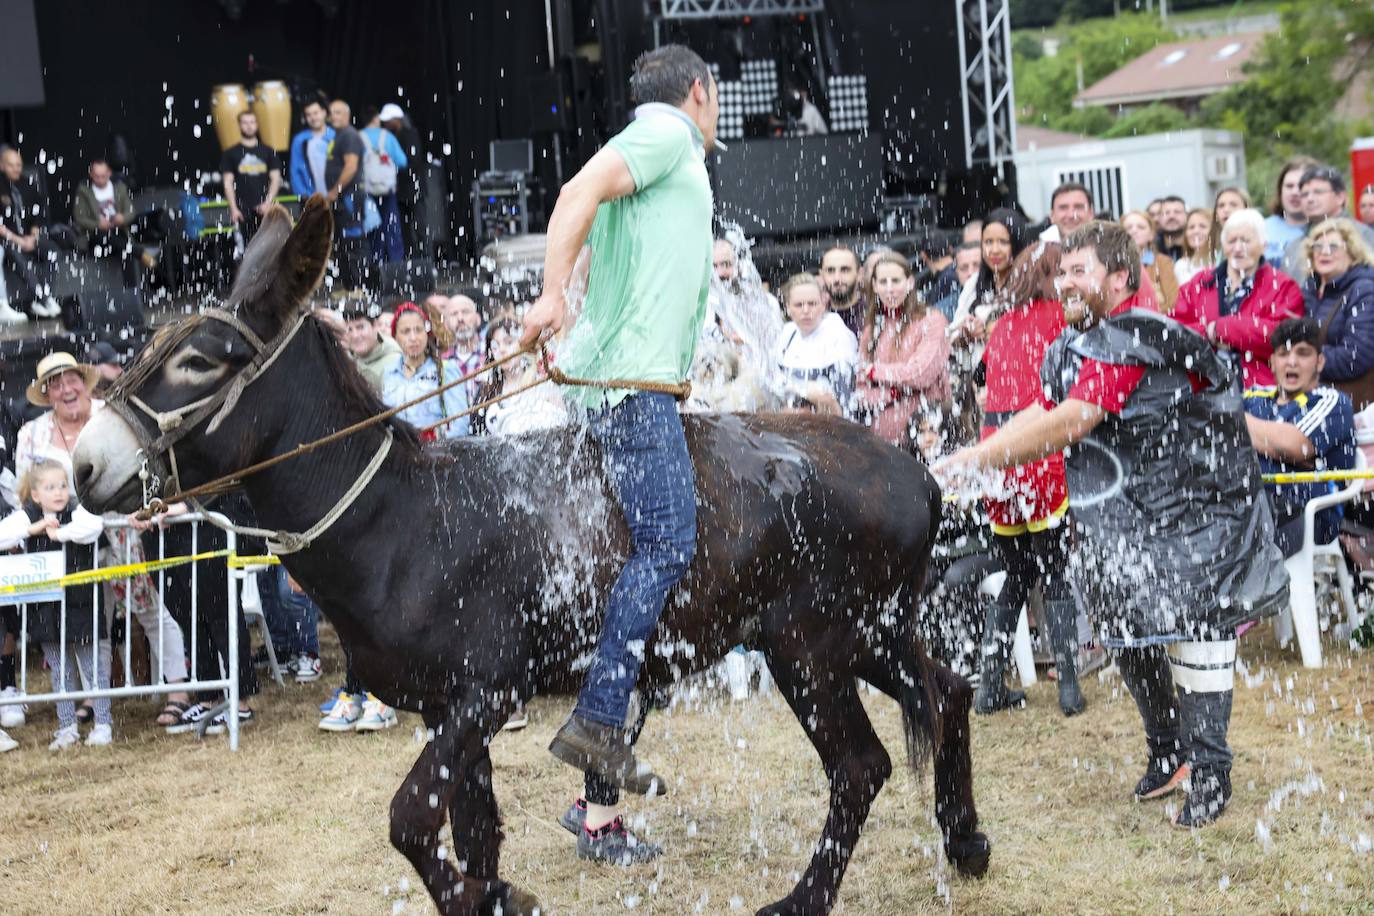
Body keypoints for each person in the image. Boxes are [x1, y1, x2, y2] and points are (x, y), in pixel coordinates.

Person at [937, 220, 1289, 828]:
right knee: (1126, 622)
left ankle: (1211, 770)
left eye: (1081, 271)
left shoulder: (1138, 333)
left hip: (1194, 509)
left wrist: (979, 459)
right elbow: (1040, 412)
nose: (1067, 282)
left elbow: (1076, 419)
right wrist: (973, 457)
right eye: (1062, 271)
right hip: (1131, 517)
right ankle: (1169, 749)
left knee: (1197, 631)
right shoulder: (1086, 342)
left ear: (1120, 276)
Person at [520, 43, 717, 864]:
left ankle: (594, 806)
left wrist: (575, 303)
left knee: (640, 558)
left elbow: (601, 233)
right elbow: (574, 193)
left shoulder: (655, 159)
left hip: (630, 382)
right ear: (701, 94)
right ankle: (601, 722)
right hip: (630, 389)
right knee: (670, 543)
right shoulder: (668, 132)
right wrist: (551, 294)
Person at [12, 351, 192, 729]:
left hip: (122, 527)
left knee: (149, 607)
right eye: (55, 384)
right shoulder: (32, 433)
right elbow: (23, 492)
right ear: (46, 394)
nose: (65, 389)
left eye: (71, 379)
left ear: (84, 381)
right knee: (93, 619)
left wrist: (146, 508)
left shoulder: (111, 415)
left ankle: (179, 690)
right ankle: (95, 697)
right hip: (68, 543)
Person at [972, 240, 1083, 717]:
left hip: (998, 452)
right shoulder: (1064, 321)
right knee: (1054, 572)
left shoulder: (1002, 327)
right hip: (1037, 448)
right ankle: (1069, 688)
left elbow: (980, 384)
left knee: (1016, 572)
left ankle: (990, 684)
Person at [0, 459, 110, 750]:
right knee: (60, 670)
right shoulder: (29, 515)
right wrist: (33, 529)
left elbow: (93, 527)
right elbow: (3, 534)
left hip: (82, 601)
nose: (59, 492)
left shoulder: (78, 510)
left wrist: (59, 533)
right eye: (50, 488)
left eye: (63, 485)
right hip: (45, 608)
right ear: (35, 495)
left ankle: (103, 723)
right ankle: (66, 727)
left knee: (92, 666)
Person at [1244, 318, 1356, 556]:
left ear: (1320, 361)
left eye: (1303, 353)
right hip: (1247, 502)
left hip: (1305, 513)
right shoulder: (1253, 395)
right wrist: (1269, 444)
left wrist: (1239, 424)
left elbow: (1293, 446)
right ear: (1272, 362)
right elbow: (1215, 427)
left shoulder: (1331, 401)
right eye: (1283, 354)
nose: (1292, 362)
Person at [1173, 208, 1303, 389]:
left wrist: (1223, 329)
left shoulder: (1283, 286)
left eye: (1246, 240)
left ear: (1263, 245)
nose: (1238, 248)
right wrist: (1208, 332)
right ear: (1223, 246)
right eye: (1232, 240)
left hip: (1261, 392)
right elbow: (1174, 332)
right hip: (1203, 390)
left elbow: (1284, 338)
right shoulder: (1200, 283)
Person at [854, 251, 950, 445]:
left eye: (896, 281)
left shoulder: (932, 320)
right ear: (874, 286)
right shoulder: (871, 329)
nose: (890, 289)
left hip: (927, 437)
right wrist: (891, 393)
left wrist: (875, 371)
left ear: (910, 282)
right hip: (883, 441)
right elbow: (860, 391)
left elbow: (921, 374)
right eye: (883, 282)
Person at [1301, 218, 1374, 405]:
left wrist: (1303, 359)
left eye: (1333, 246)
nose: (1324, 252)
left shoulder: (1364, 290)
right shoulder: (1308, 289)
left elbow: (1356, 356)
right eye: (1318, 246)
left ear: (1352, 253)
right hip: (1311, 398)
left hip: (1350, 404)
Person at [382, 300, 470, 439]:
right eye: (405, 332)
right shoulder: (388, 372)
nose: (413, 337)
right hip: (398, 456)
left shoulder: (446, 370)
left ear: (426, 333)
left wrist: (430, 440)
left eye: (418, 330)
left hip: (435, 454)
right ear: (395, 337)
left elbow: (460, 425)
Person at [774, 271, 858, 416]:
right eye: (799, 305)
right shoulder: (787, 333)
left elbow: (841, 407)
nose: (806, 311)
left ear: (823, 304)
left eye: (812, 304)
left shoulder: (837, 334)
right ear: (788, 307)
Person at [950, 207, 1032, 342]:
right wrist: (966, 332)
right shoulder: (975, 282)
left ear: (1017, 243)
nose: (994, 250)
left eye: (1003, 242)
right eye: (988, 242)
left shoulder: (1032, 282)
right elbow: (951, 337)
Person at [0, 145, 61, 321]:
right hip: (8, 239)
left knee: (52, 251)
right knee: (18, 256)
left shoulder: (28, 183)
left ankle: (47, 296)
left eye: (19, 164)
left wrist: (33, 237)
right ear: (2, 165)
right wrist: (19, 241)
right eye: (11, 165)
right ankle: (41, 298)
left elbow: (37, 217)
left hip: (28, 237)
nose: (16, 169)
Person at [1285, 165, 1374, 282]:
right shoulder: (1294, 246)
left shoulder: (1363, 235)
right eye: (1304, 194)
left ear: (1340, 197)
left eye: (1318, 192)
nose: (1310, 199)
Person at [72, 158, 150, 285]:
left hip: (118, 231)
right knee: (105, 238)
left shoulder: (119, 189)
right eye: (97, 176)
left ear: (109, 173)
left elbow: (131, 211)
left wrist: (122, 218)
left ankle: (133, 287)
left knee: (121, 244)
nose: (100, 180)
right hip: (95, 235)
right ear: (91, 174)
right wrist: (98, 224)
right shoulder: (84, 191)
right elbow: (79, 217)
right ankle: (139, 252)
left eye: (103, 176)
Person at [220, 110, 282, 247]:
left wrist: (268, 202)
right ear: (239, 125)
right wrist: (233, 208)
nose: (249, 126)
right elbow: (228, 182)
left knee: (270, 249)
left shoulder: (268, 151)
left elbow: (276, 179)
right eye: (245, 122)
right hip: (243, 210)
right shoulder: (231, 153)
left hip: (266, 209)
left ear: (257, 124)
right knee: (247, 251)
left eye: (252, 122)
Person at [323, 99, 367, 291]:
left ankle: (359, 287)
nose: (334, 116)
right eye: (331, 112)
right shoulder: (337, 136)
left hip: (349, 196)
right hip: (342, 198)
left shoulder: (349, 135)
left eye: (338, 112)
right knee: (342, 242)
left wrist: (334, 191)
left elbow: (351, 166)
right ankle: (349, 286)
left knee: (353, 241)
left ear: (347, 115)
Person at [360, 106, 408, 264]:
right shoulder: (387, 137)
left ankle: (375, 266)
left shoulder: (357, 137)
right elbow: (402, 161)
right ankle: (396, 267)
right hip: (387, 191)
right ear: (375, 119)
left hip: (366, 192)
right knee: (392, 227)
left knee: (373, 229)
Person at [1120, 209, 1180, 312]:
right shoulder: (1115, 265)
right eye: (1128, 228)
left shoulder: (1163, 262)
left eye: (1141, 227)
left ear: (1151, 235)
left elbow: (1173, 302)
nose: (1134, 230)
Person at [1265, 156, 1318, 264]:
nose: (1294, 192)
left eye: (1300, 186)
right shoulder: (1261, 228)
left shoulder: (1326, 231)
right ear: (1280, 190)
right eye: (1289, 186)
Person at [342, 295, 400, 392]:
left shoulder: (394, 362)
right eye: (350, 329)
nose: (355, 335)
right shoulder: (347, 361)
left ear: (375, 326)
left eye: (360, 327)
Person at [441, 293, 486, 403]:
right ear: (446, 324)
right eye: (454, 314)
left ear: (478, 319)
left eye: (465, 312)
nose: (460, 318)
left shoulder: (493, 352)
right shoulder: (441, 362)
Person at [288, 98, 335, 196]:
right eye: (308, 115)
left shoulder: (336, 136)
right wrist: (303, 194)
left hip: (337, 197)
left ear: (324, 113)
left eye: (315, 113)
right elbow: (295, 170)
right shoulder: (299, 140)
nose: (313, 118)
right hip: (311, 198)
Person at [818, 244, 865, 336]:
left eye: (845, 270)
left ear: (860, 274)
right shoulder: (812, 318)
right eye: (830, 270)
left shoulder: (874, 318)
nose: (837, 279)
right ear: (821, 275)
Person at [933, 241, 981, 321]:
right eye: (964, 268)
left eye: (977, 265)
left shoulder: (1003, 298)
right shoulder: (941, 312)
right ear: (956, 272)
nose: (971, 273)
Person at [1173, 208, 1215, 285]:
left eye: (1202, 226)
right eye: (1191, 227)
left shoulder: (1221, 262)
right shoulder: (1181, 265)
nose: (1196, 231)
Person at [1207, 186, 1250, 261]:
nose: (1226, 210)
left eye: (1233, 205)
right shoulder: (1211, 247)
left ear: (1246, 209)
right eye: (1221, 205)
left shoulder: (1257, 242)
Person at [1155, 195, 1188, 261]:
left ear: (1187, 215)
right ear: (1159, 218)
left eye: (1177, 212)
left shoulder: (1197, 246)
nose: (1171, 216)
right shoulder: (1151, 249)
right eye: (1166, 213)